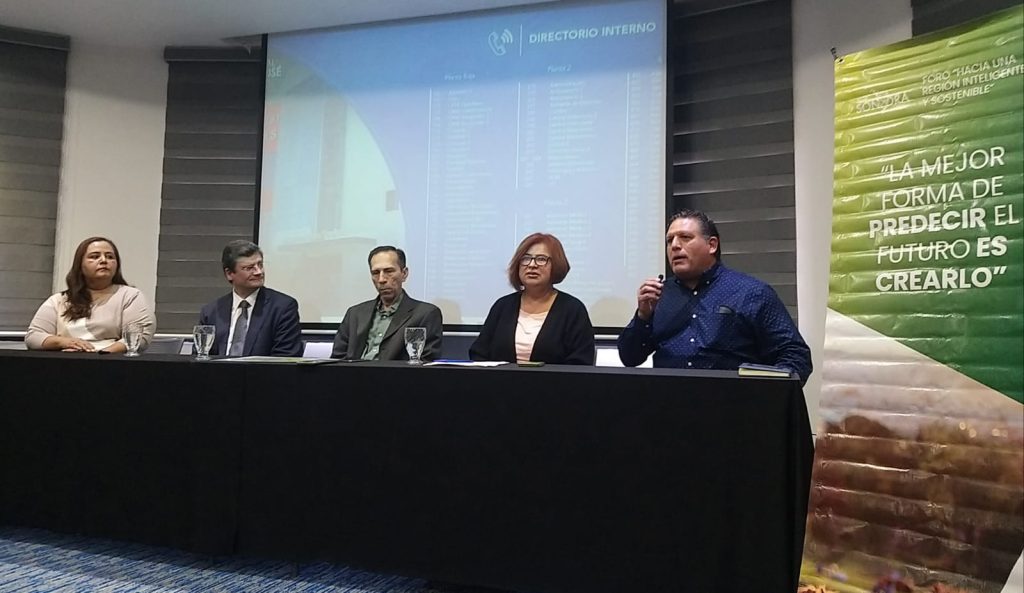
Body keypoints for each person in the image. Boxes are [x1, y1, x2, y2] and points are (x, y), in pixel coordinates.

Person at [617, 209, 812, 382]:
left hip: (732, 405)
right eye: (670, 240)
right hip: (669, 405)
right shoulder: (659, 295)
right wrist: (643, 317)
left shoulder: (751, 293)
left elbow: (795, 355)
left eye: (685, 237)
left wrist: (766, 396)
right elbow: (630, 357)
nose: (675, 246)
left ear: (712, 245)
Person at [470, 233, 595, 365]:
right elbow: (479, 353)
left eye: (541, 259)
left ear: (556, 265)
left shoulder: (573, 309)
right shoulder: (502, 306)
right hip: (501, 378)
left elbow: (580, 361)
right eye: (526, 258)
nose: (532, 265)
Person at [26, 236, 155, 353]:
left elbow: (139, 337)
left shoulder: (130, 296)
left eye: (110, 257)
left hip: (111, 363)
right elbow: (33, 337)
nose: (104, 260)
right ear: (80, 265)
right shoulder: (59, 300)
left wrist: (99, 355)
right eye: (94, 256)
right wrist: (65, 342)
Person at [331, 246, 443, 361]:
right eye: (375, 273)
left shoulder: (424, 314)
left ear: (404, 273)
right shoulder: (355, 314)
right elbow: (337, 360)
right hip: (353, 371)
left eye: (389, 271)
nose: (381, 279)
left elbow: (424, 363)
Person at [198, 240, 302, 357]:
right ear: (229, 273)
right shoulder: (211, 312)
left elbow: (285, 359)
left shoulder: (282, 308)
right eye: (249, 268)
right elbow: (200, 357)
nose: (259, 272)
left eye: (260, 265)